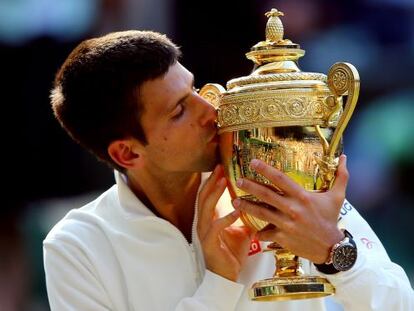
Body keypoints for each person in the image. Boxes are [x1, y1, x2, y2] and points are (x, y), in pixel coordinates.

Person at [43, 30, 414, 310]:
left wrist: (332, 252)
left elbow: (401, 303)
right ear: (126, 153)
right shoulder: (76, 246)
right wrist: (219, 283)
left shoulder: (277, 176)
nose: (210, 111)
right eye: (178, 111)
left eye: (193, 90)